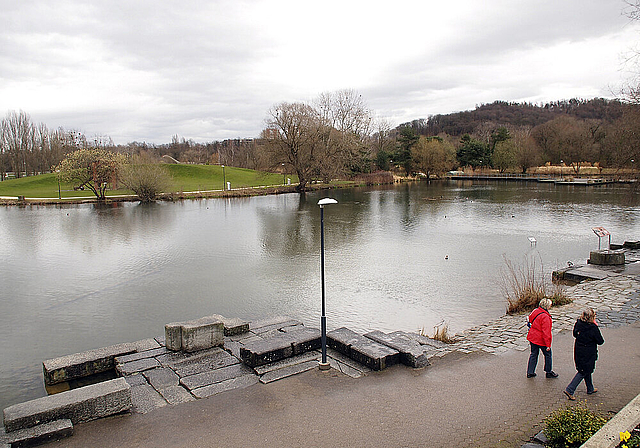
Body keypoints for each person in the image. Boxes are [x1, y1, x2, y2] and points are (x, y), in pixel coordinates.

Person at [563, 308, 604, 400]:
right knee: (583, 371)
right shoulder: (593, 328)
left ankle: (590, 388)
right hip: (588, 353)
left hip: (578, 350)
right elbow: (600, 341)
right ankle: (570, 389)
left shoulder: (578, 323)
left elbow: (575, 334)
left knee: (586, 370)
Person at [526, 298, 558, 378]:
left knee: (533, 354)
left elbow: (530, 319)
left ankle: (530, 372)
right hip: (541, 340)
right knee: (548, 355)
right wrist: (548, 345)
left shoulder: (535, 311)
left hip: (532, 337)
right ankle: (548, 371)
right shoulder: (545, 317)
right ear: (547, 306)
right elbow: (546, 332)